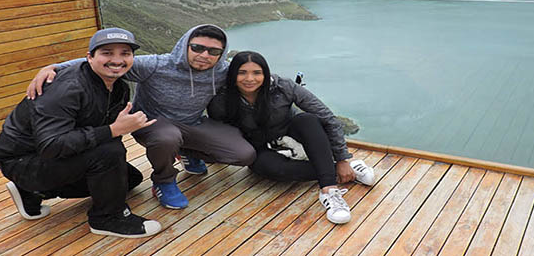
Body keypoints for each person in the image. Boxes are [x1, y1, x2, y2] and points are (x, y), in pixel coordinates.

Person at [26, 24, 256, 209]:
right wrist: (54, 67)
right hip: (151, 123)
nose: (204, 55)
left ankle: (185, 151)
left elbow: (257, 74)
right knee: (167, 138)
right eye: (197, 48)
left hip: (193, 122)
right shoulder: (156, 65)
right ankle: (164, 181)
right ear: (185, 45)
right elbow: (104, 63)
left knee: (243, 154)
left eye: (213, 51)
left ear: (221, 54)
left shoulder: (223, 71)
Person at [0, 28, 162, 238]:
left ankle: (34, 192)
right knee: (110, 151)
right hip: (23, 160)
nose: (117, 60)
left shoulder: (118, 88)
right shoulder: (66, 88)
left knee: (130, 179)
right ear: (89, 57)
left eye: (125, 53)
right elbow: (51, 145)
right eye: (107, 53)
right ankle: (107, 218)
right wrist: (113, 130)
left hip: (56, 156)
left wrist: (112, 131)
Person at [207, 51, 375, 224]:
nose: (250, 78)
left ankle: (329, 191)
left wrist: (342, 159)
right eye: (242, 72)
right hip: (259, 146)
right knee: (269, 168)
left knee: (307, 120)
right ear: (232, 73)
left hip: (292, 132)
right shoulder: (222, 100)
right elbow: (220, 133)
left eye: (257, 73)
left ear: (265, 73)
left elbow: (328, 118)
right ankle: (349, 171)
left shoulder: (283, 87)